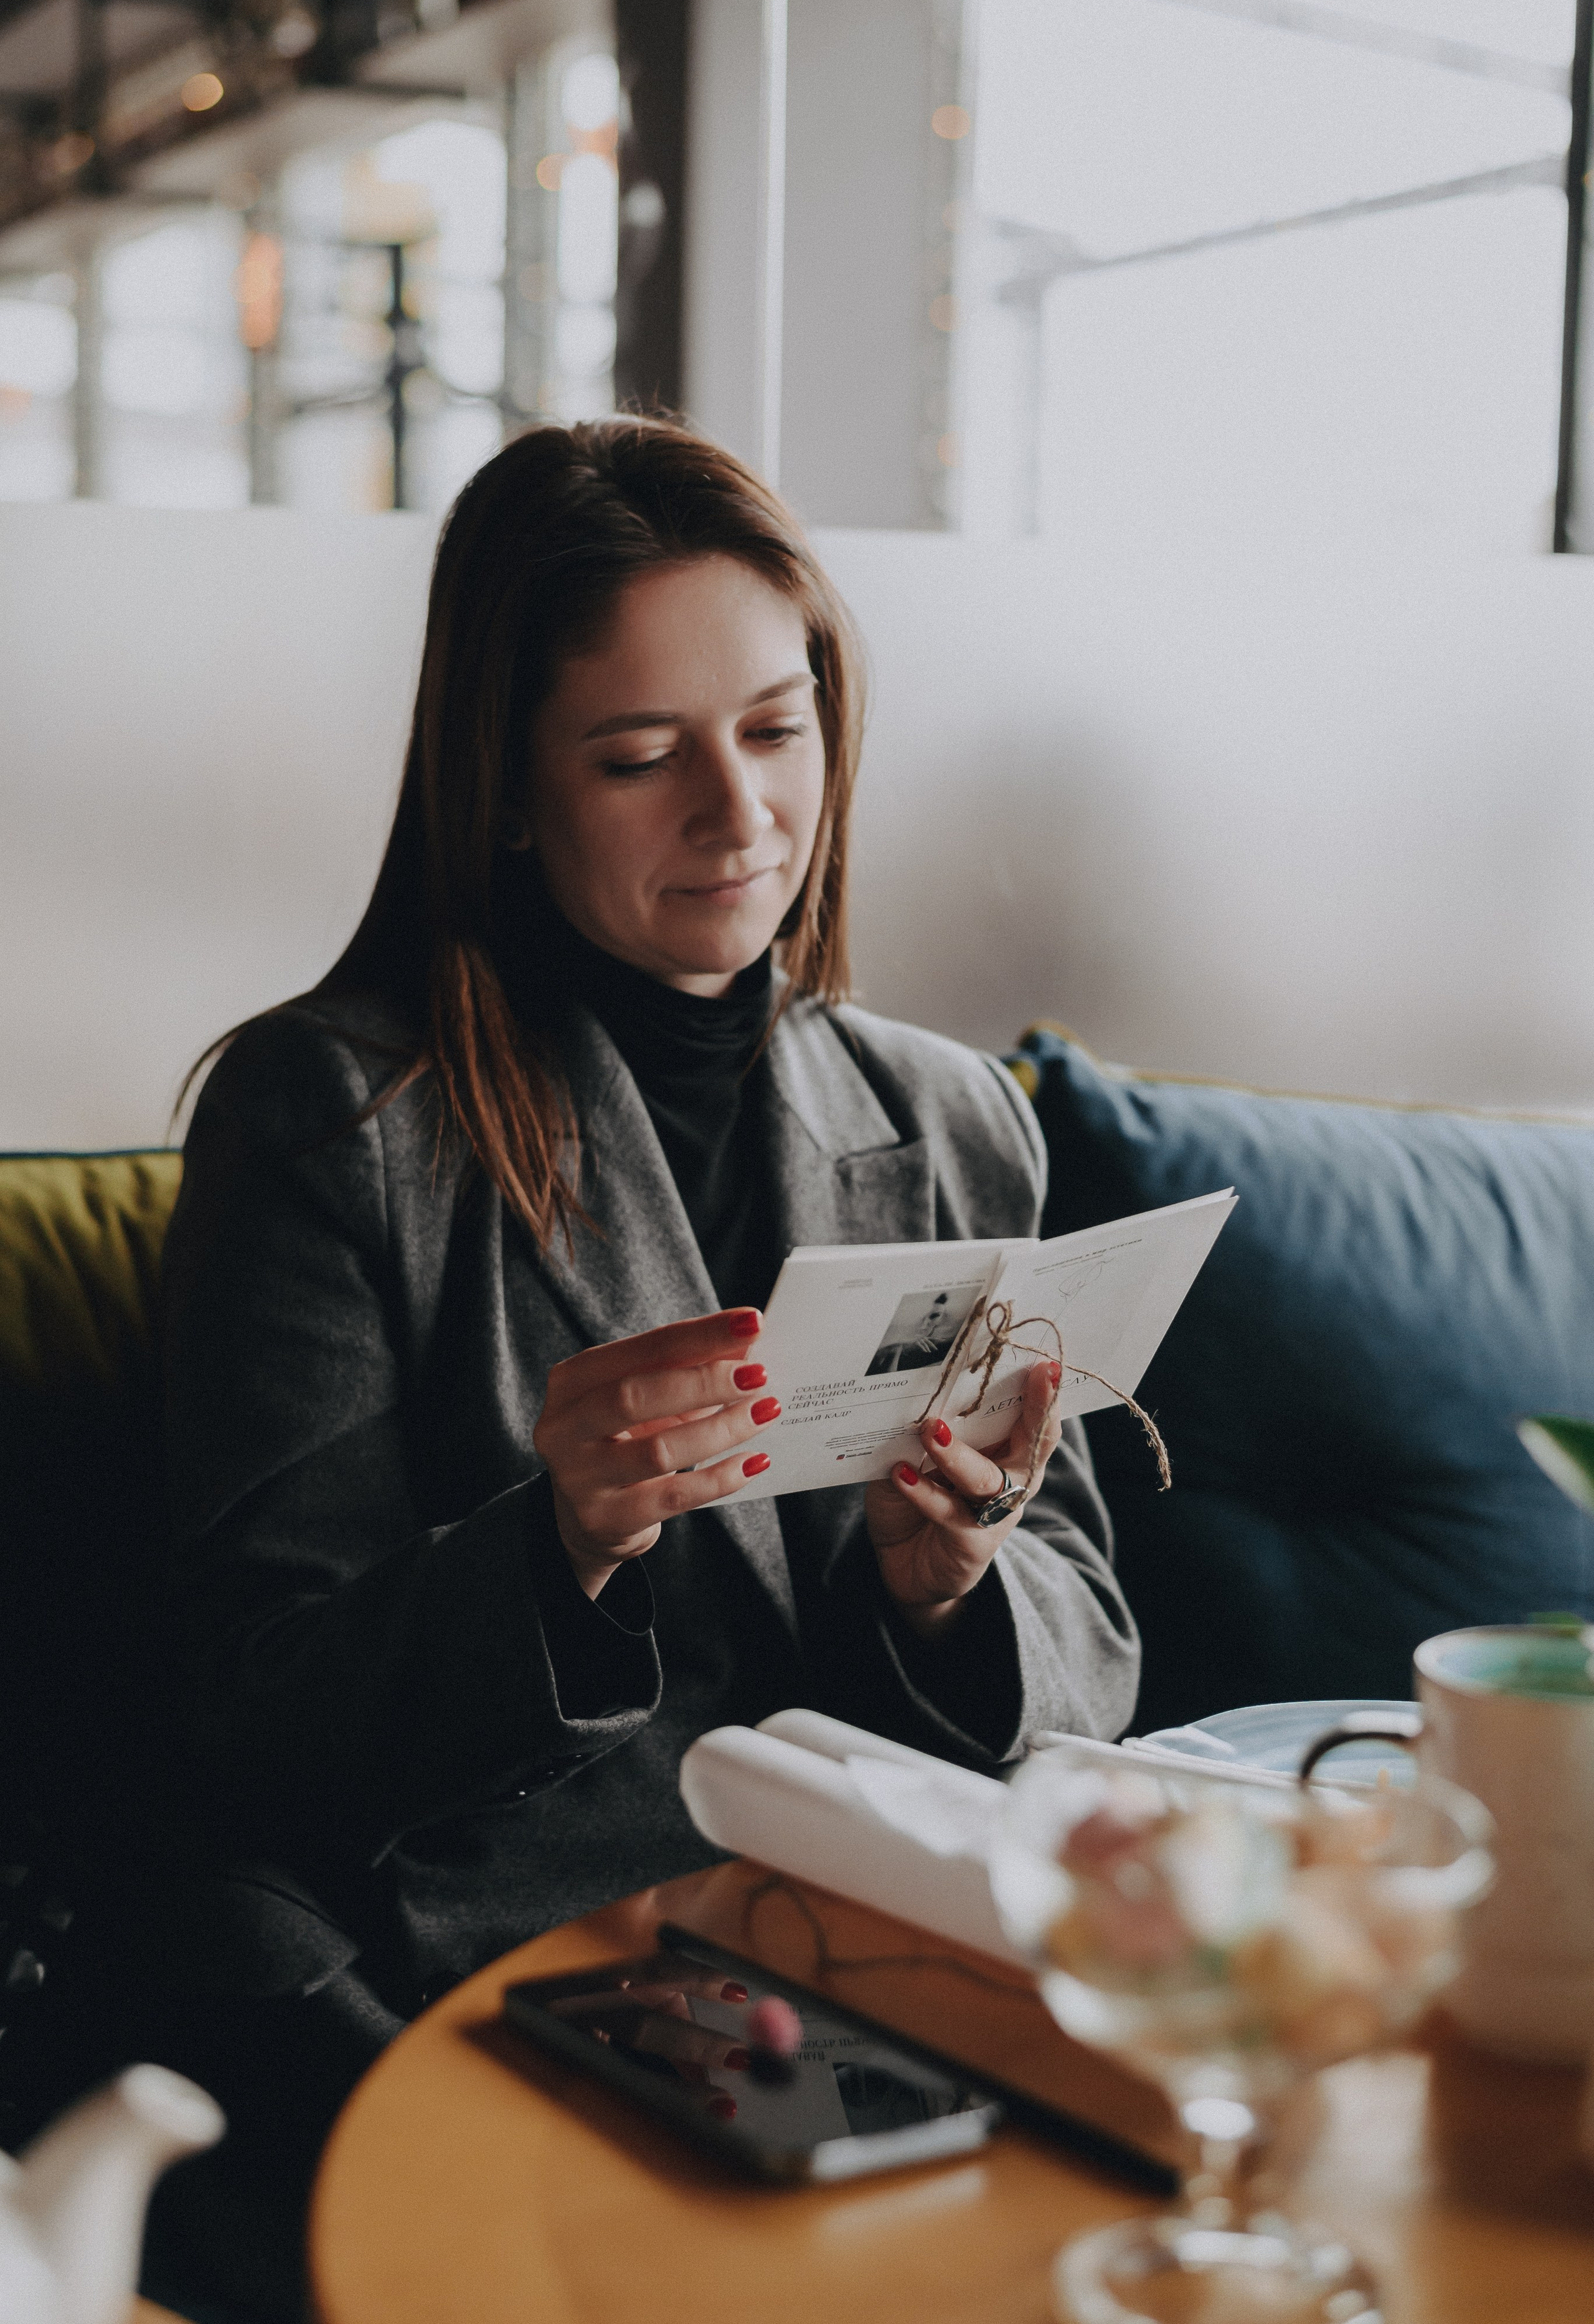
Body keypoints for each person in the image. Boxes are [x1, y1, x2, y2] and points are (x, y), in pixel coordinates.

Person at [142, 416, 1139, 2310]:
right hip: (551, 1960)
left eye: (777, 728)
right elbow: (255, 1715)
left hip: (896, 1930)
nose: (741, 813)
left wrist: (952, 1590)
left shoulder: (950, 1122)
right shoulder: (337, 1119)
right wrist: (559, 1546)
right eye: (638, 755)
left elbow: (1090, 1632)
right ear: (506, 787)